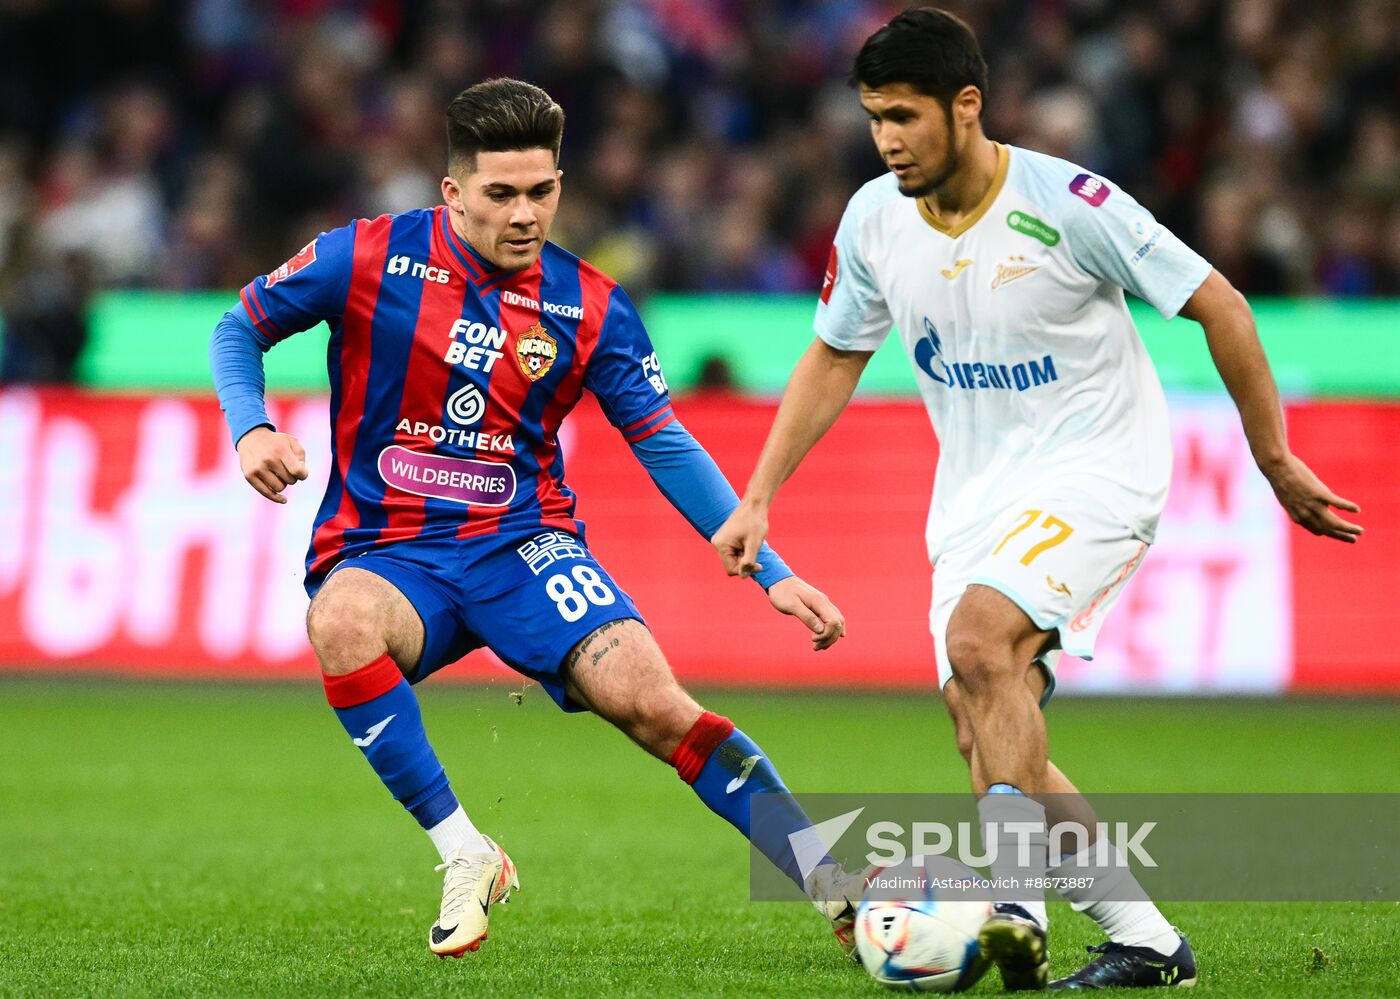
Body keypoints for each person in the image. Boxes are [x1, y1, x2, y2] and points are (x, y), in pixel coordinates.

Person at [712, 9, 1362, 992]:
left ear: (964, 106)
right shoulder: (873, 219)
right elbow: (836, 353)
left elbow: (1217, 302)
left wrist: (1271, 461)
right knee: (982, 718)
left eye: (902, 116)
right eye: (871, 118)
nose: (884, 138)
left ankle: (1011, 901)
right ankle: (1146, 943)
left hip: (1101, 468)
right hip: (973, 495)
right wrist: (758, 493)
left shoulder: (1068, 202)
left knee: (981, 642)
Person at [210, 78, 862, 960]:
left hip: (525, 546)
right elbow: (237, 328)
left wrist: (770, 566)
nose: (525, 214)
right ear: (452, 192)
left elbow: (660, 440)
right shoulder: (365, 257)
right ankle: (466, 853)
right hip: (390, 550)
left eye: (542, 191)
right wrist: (249, 425)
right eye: (501, 193)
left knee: (654, 703)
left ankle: (842, 888)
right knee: (341, 621)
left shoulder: (590, 305)